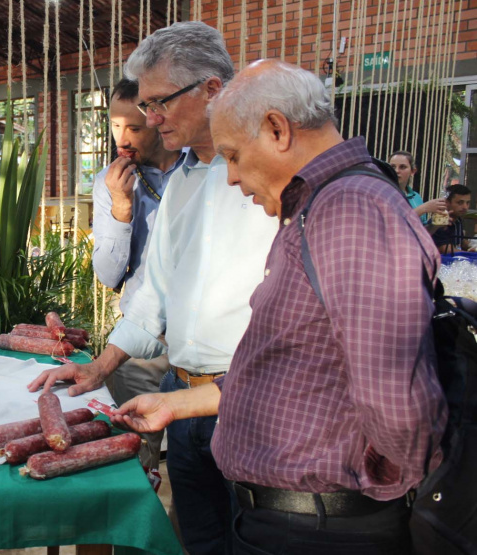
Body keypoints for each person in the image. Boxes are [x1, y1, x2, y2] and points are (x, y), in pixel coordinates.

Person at [113, 59, 447, 554]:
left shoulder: (349, 210)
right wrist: (177, 401)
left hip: (319, 525)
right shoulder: (321, 209)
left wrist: (374, 498)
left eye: (232, 155)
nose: (230, 178)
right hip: (296, 519)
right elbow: (298, 364)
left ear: (276, 129)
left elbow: (399, 405)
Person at [29, 22, 278, 555]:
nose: (150, 119)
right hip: (180, 395)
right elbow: (151, 292)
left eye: (159, 102)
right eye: (145, 106)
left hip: (249, 404)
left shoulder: (274, 177)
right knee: (198, 540)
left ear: (212, 90)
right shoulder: (183, 179)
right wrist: (100, 365)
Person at [91, 78, 184, 471]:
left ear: (159, 120)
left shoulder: (202, 171)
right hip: (136, 351)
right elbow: (109, 276)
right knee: (135, 465)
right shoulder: (110, 182)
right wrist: (121, 207)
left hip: (200, 353)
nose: (121, 138)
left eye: (134, 127)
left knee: (191, 471)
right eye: (114, 125)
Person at [388, 150, 445, 223]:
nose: (396, 171)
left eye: (402, 167)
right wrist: (424, 208)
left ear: (412, 171)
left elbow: (422, 230)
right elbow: (393, 223)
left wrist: (436, 224)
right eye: (393, 167)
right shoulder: (383, 194)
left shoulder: (416, 197)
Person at [430, 183, 472, 253]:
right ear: (447, 202)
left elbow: (460, 241)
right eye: (460, 203)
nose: (465, 207)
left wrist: (472, 246)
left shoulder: (458, 220)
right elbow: (444, 249)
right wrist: (469, 254)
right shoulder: (439, 220)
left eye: (467, 203)